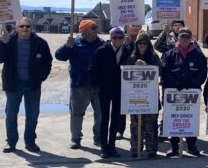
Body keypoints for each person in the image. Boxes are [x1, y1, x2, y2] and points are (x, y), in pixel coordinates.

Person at [0, 18, 52, 153]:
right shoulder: (8, 40)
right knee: (11, 115)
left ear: (32, 28)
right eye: (22, 26)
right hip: (13, 85)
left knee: (32, 115)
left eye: (28, 26)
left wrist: (40, 78)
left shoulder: (40, 43)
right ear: (16, 28)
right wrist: (3, 43)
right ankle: (11, 142)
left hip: (32, 86)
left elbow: (47, 62)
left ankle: (30, 142)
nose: (25, 28)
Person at [55, 19, 104, 149]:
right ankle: (75, 138)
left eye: (96, 28)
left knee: (101, 113)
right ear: (84, 30)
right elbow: (59, 56)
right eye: (93, 28)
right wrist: (66, 46)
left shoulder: (102, 44)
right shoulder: (75, 43)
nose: (96, 30)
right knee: (76, 113)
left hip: (98, 85)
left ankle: (98, 137)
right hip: (79, 84)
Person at [162, 28, 208, 157]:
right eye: (182, 37)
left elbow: (203, 72)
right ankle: (174, 147)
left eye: (187, 37)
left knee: (190, 119)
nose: (185, 39)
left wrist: (191, 84)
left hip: (191, 94)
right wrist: (177, 84)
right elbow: (164, 72)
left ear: (191, 39)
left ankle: (191, 145)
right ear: (178, 39)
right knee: (174, 119)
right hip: (174, 93)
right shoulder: (170, 54)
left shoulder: (198, 55)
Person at [89, 27, 131, 158]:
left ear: (124, 38)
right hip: (105, 90)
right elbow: (92, 69)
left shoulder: (127, 51)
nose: (117, 40)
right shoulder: (102, 50)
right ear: (110, 38)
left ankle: (112, 146)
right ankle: (104, 147)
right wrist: (98, 86)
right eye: (115, 37)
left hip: (120, 90)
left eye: (120, 37)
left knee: (115, 119)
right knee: (104, 118)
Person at [125, 31, 162, 158]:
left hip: (150, 96)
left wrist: (148, 66)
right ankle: (136, 148)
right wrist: (134, 66)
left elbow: (161, 71)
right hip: (135, 96)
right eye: (140, 42)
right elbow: (124, 72)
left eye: (144, 42)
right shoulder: (131, 57)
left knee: (150, 124)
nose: (142, 45)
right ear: (136, 44)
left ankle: (151, 149)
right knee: (135, 124)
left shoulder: (154, 56)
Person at [115, 24, 143, 139]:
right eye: (133, 26)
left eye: (137, 26)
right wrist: (124, 45)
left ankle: (138, 133)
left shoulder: (143, 37)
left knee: (138, 104)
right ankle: (119, 130)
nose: (135, 28)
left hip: (139, 80)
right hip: (123, 78)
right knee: (121, 106)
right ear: (128, 27)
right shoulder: (122, 38)